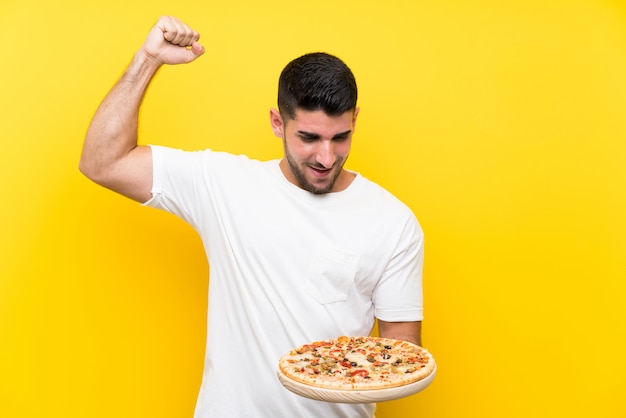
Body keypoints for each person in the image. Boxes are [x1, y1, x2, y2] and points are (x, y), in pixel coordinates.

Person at [79, 15, 425, 418]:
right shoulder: (223, 184)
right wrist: (147, 60)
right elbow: (103, 162)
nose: (326, 157)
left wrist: (331, 367)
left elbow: (403, 358)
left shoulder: (393, 222)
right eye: (309, 138)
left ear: (354, 121)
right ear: (278, 123)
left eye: (340, 137)